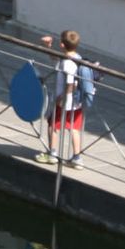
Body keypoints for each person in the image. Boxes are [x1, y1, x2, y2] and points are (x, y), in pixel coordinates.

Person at [38, 30, 88, 166]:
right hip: (77, 102)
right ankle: (77, 158)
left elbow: (70, 84)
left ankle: (52, 154)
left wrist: (61, 99)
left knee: (52, 124)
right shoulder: (76, 56)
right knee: (74, 128)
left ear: (61, 44)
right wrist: (48, 47)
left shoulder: (68, 63)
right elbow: (56, 58)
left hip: (66, 102)